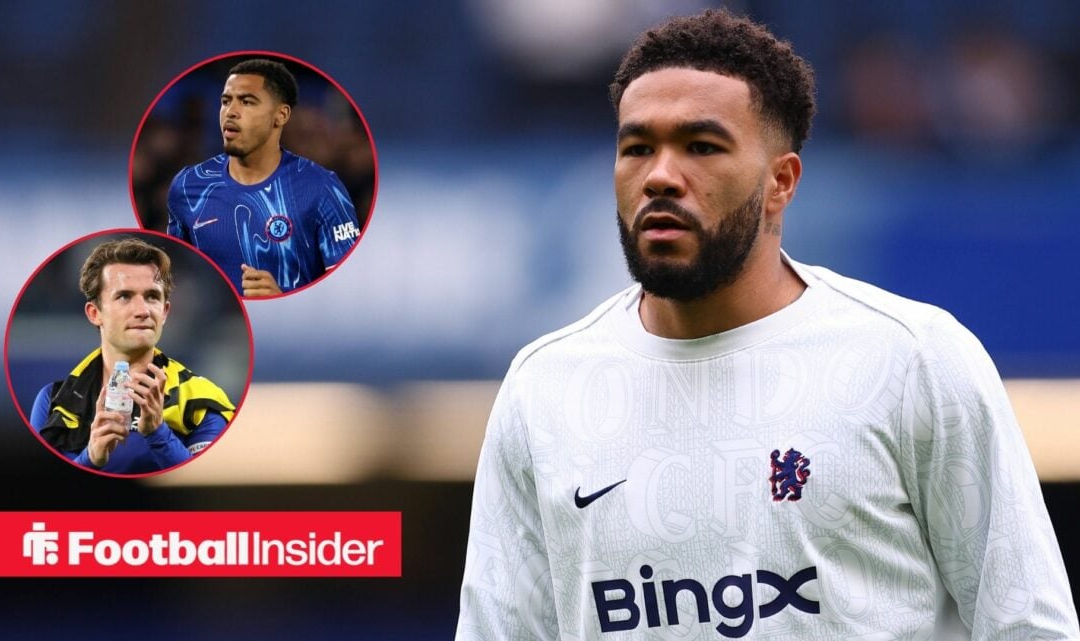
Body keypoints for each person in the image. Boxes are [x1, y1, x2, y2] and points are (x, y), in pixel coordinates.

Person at [455, 9, 1078, 640]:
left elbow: (1028, 625)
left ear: (781, 181)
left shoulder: (911, 358)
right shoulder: (545, 388)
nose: (661, 176)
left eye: (701, 146)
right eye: (638, 147)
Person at [30, 237, 235, 475]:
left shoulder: (201, 400)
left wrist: (157, 432)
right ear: (95, 313)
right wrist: (91, 458)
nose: (142, 311)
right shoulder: (54, 403)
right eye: (124, 296)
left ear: (165, 311)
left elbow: (207, 487)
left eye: (152, 296)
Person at [166, 58, 361, 298]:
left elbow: (348, 295)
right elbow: (174, 281)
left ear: (281, 115)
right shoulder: (187, 186)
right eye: (226, 101)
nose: (231, 112)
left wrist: (282, 297)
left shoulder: (323, 188)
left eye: (247, 102)